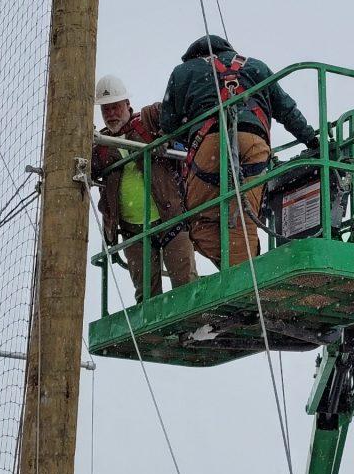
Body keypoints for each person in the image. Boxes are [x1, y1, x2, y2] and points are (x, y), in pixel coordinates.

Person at [159, 35, 318, 267]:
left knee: (201, 223)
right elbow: (287, 110)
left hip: (208, 143)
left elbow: (168, 125)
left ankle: (244, 275)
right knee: (242, 218)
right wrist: (312, 141)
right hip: (253, 143)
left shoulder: (183, 72)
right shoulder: (256, 66)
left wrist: (190, 128)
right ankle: (247, 271)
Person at [92, 74, 197, 303]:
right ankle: (158, 338)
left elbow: (183, 118)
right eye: (105, 110)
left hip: (170, 220)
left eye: (115, 107)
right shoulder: (99, 145)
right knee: (146, 298)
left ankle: (193, 334)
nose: (110, 114)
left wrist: (168, 138)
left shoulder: (149, 119)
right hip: (133, 232)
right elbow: (84, 168)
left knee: (186, 288)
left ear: (128, 105)